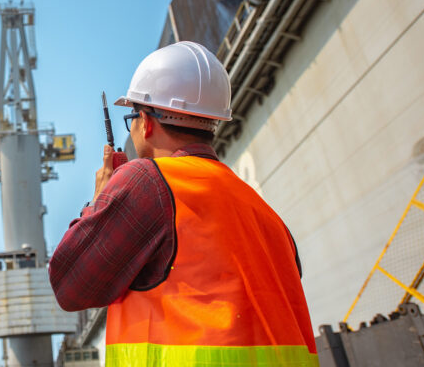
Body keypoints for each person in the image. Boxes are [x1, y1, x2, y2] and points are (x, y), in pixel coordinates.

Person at [49, 41, 319, 366]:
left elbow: (69, 286)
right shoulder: (264, 213)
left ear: (145, 122)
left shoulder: (145, 181)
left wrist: (98, 202)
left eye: (132, 116)